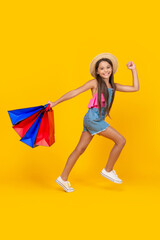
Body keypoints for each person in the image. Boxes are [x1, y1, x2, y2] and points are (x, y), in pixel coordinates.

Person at [47, 53, 139, 192]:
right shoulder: (95, 83)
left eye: (108, 67)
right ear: (97, 71)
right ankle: (108, 170)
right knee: (121, 140)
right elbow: (74, 92)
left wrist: (133, 70)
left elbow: (135, 88)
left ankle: (63, 178)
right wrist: (55, 103)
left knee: (80, 149)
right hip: (93, 119)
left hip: (94, 119)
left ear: (112, 69)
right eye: (101, 68)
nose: (105, 70)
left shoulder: (113, 85)